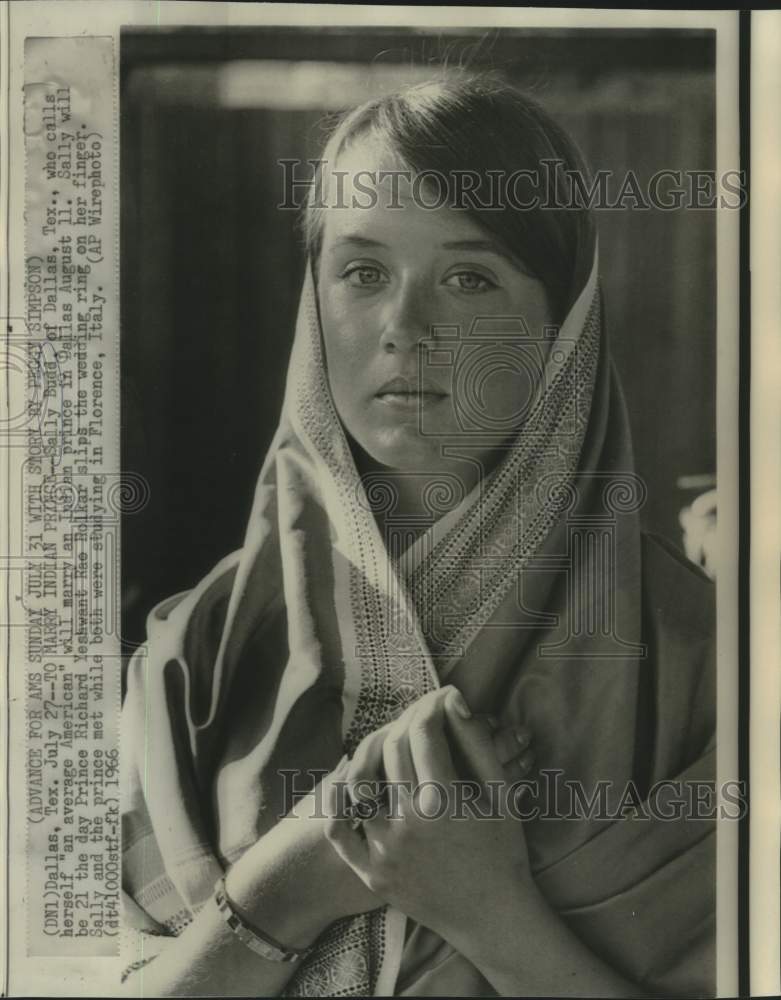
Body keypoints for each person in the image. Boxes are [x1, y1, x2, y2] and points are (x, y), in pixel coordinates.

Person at [121, 74, 716, 997]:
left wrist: (486, 911)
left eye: (469, 277)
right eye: (362, 273)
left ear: (562, 324)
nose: (406, 328)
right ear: (313, 308)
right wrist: (287, 888)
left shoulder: (707, 668)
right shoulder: (190, 657)